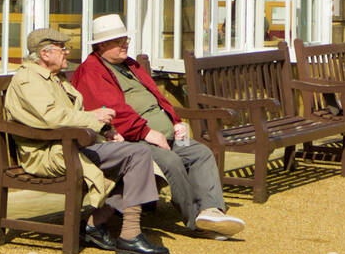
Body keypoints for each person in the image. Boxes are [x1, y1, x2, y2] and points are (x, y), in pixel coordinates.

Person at [72, 15, 245, 239]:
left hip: (162, 135)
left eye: (126, 38)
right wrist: (146, 132)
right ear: (102, 45)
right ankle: (197, 221)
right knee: (171, 162)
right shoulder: (92, 71)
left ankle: (212, 210)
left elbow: (157, 98)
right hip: (132, 141)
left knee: (200, 152)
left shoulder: (130, 65)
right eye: (119, 40)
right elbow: (113, 111)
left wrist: (174, 121)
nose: (126, 43)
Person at [4, 27, 169, 254]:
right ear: (45, 53)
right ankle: (129, 235)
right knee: (138, 155)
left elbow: (74, 113)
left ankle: (94, 224)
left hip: (71, 146)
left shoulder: (55, 78)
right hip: (49, 154)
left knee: (139, 155)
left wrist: (105, 129)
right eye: (62, 48)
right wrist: (94, 119)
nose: (66, 52)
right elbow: (52, 117)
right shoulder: (28, 80)